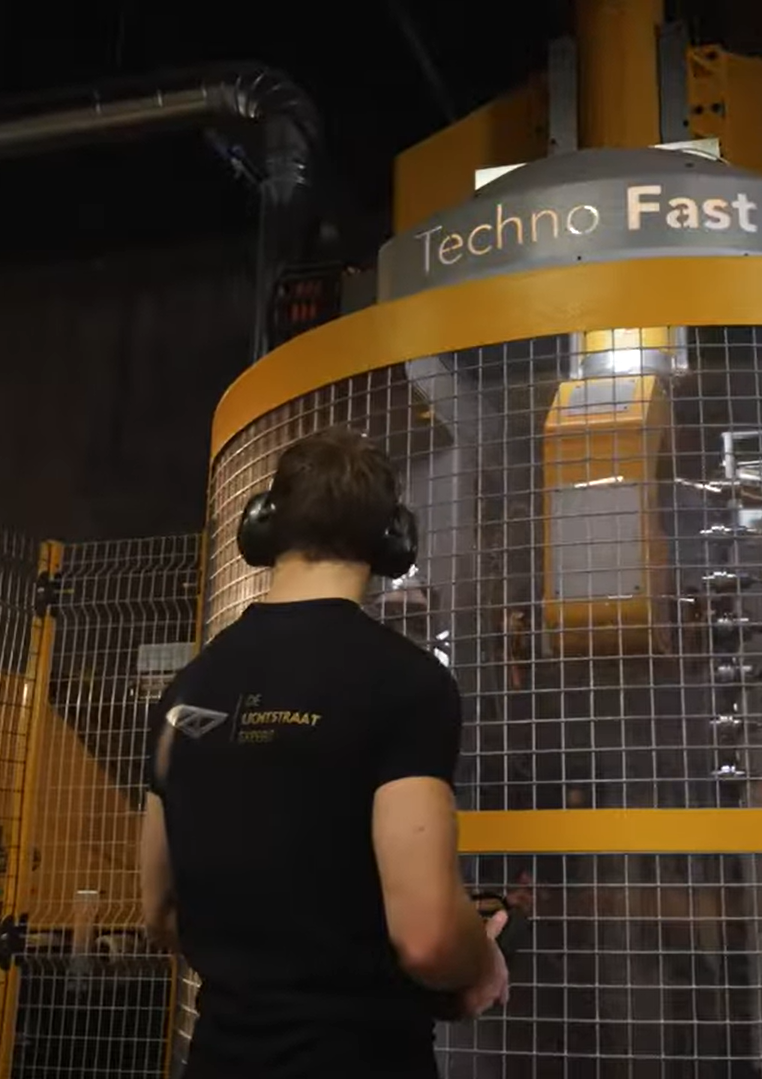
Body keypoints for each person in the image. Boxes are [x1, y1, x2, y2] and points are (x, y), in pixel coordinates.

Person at [139, 426, 509, 1078]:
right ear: (392, 538)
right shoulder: (407, 684)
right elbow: (427, 939)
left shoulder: (186, 693)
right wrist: (481, 957)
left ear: (264, 524)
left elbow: (159, 911)